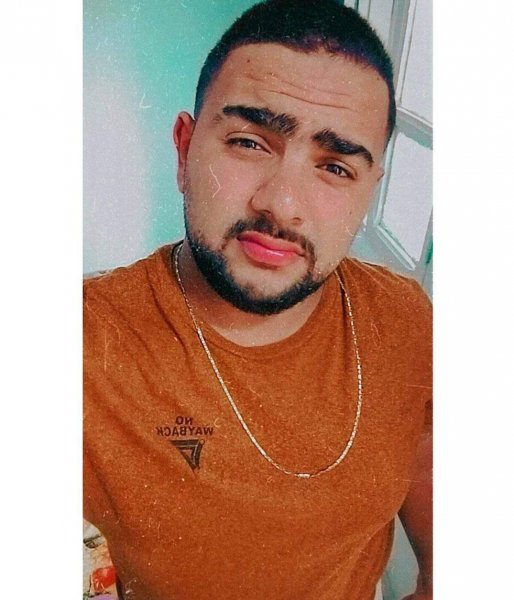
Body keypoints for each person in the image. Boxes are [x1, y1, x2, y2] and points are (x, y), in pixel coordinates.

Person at [83, 1, 432, 599]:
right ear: (185, 149)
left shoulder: (404, 319)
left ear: (370, 191)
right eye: (249, 142)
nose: (282, 204)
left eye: (336, 167)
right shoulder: (86, 343)